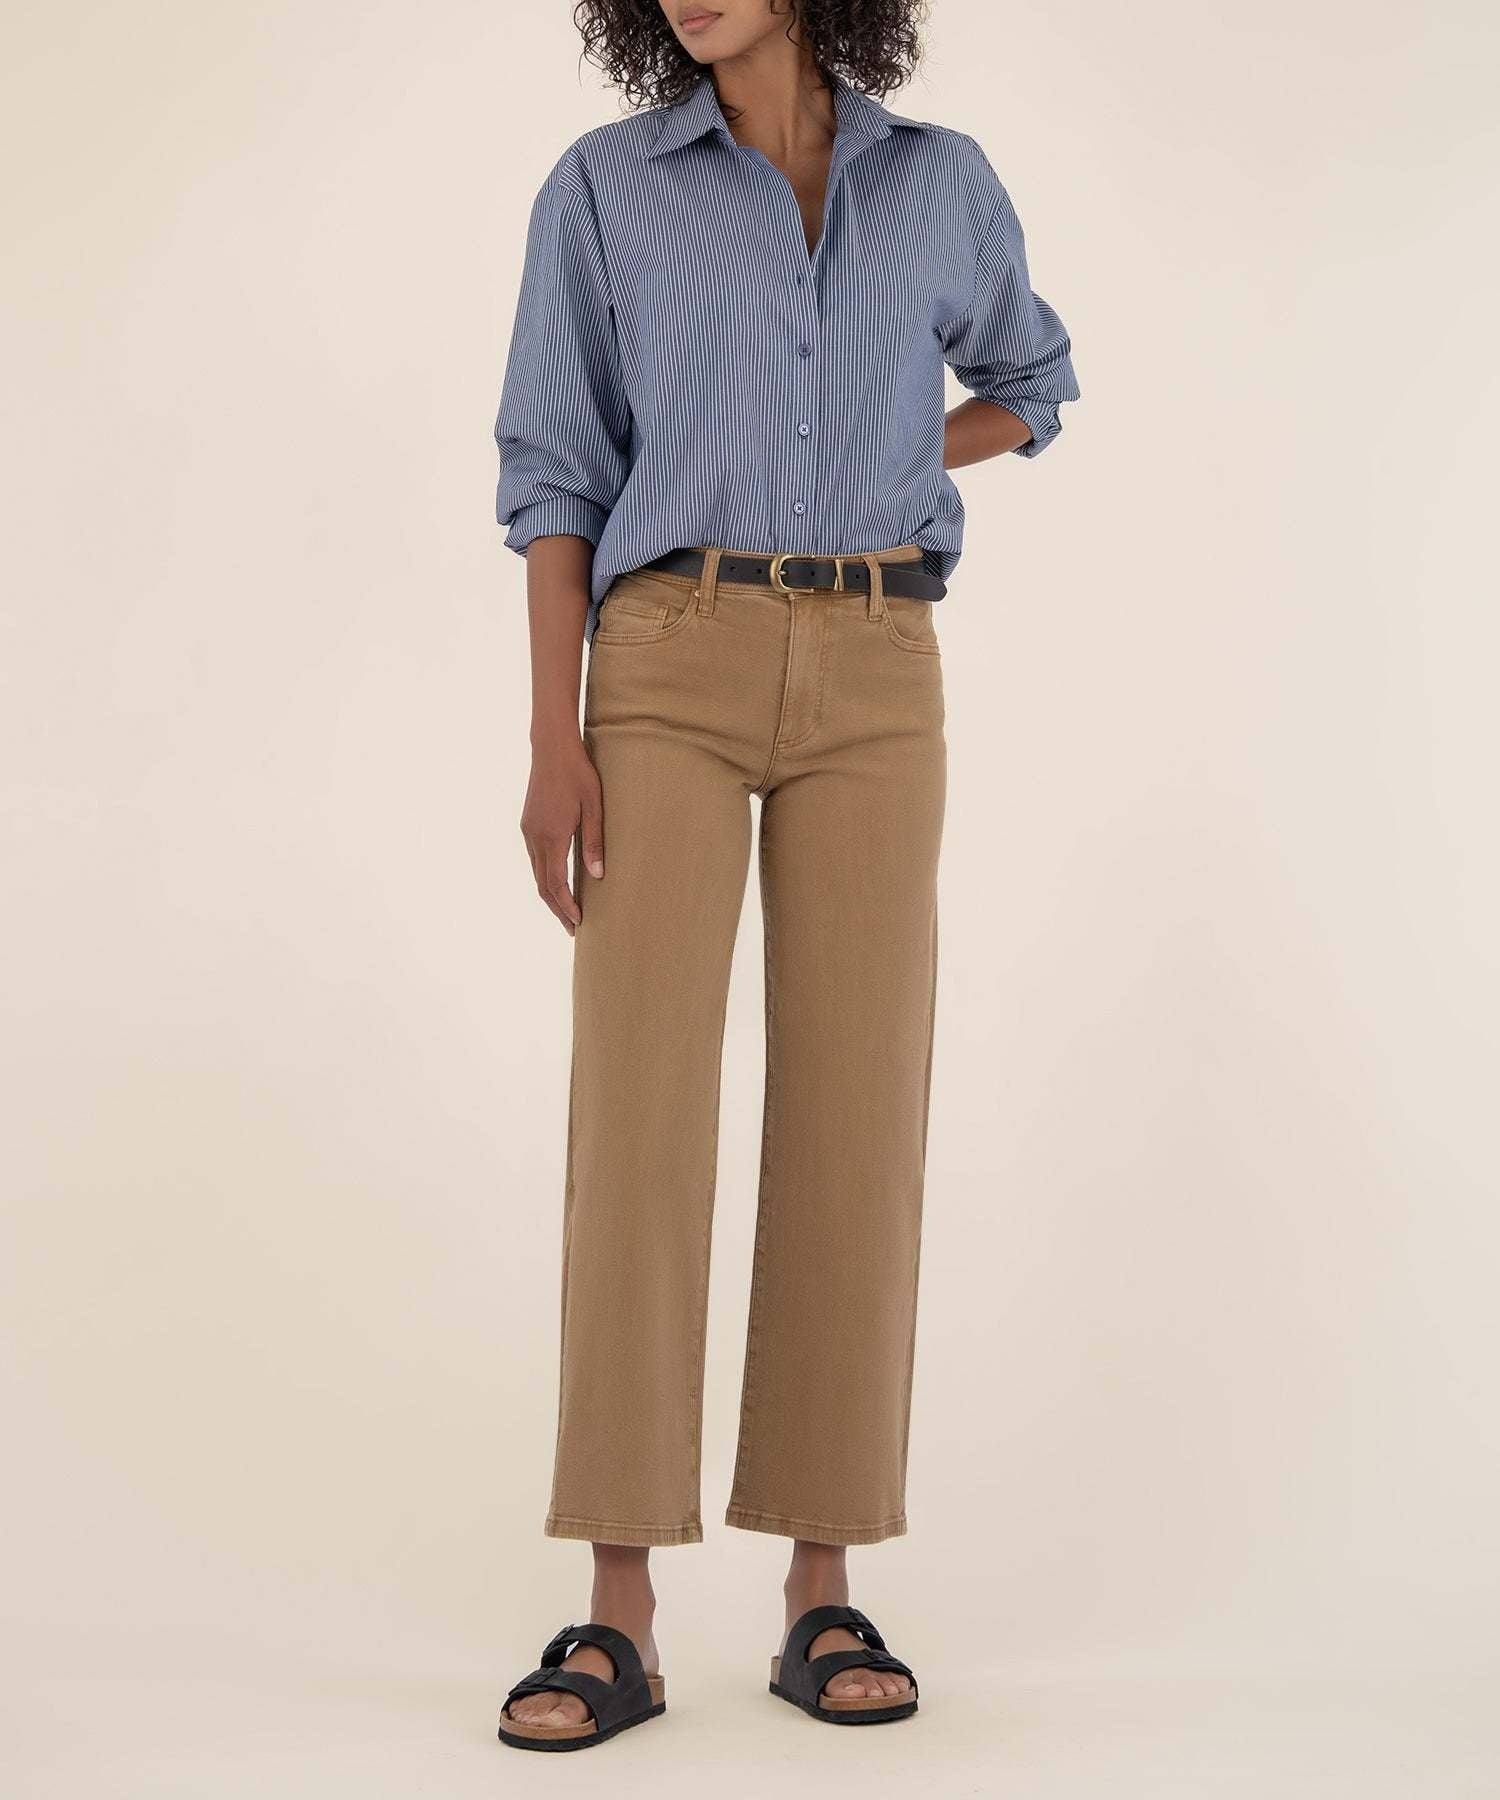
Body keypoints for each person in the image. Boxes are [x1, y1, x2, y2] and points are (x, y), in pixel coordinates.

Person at [491, 0, 1078, 1752]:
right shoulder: (605, 189)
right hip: (665, 656)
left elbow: (1031, 385)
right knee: (640, 1116)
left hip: (882, 668)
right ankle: (618, 1611)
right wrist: (553, 737)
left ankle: (822, 1586)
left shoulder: (940, 185)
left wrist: (897, 443)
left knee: (855, 1114)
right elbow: (555, 469)